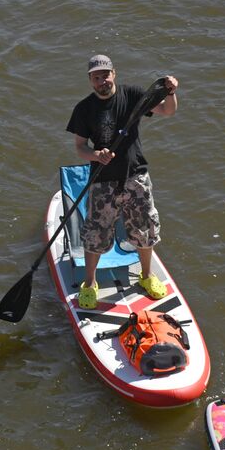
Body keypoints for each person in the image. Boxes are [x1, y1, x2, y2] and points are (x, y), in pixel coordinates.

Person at [66, 54, 179, 308]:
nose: (102, 81)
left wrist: (170, 92)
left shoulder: (133, 95)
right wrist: (96, 155)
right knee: (95, 234)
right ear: (90, 81)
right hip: (102, 180)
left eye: (105, 75)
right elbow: (80, 147)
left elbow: (167, 111)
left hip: (136, 175)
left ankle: (147, 276)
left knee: (145, 230)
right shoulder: (83, 109)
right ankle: (89, 283)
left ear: (114, 73)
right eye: (96, 77)